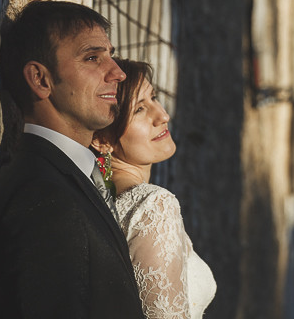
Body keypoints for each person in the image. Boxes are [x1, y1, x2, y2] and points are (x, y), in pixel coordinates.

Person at [0, 0, 145, 318]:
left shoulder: (67, 172)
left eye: (110, 55)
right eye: (92, 58)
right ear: (40, 79)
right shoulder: (41, 192)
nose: (117, 72)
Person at [92, 59, 216, 318]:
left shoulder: (97, 198)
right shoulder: (153, 206)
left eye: (154, 98)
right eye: (139, 109)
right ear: (102, 139)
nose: (162, 115)